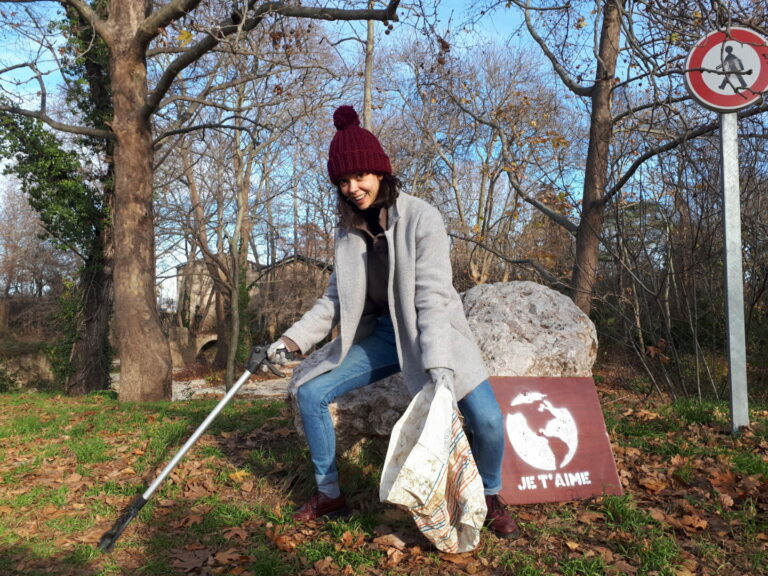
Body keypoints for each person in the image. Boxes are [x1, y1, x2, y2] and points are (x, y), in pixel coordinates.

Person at [267, 105, 519, 539]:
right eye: (342, 182)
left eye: (359, 176)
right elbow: (335, 300)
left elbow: (433, 298)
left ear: (380, 171)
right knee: (310, 393)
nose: (352, 188)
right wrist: (291, 341)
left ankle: (491, 495)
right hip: (384, 336)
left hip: (432, 331)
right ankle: (329, 493)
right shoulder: (348, 232)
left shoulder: (422, 217)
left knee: (490, 421)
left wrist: (439, 365)